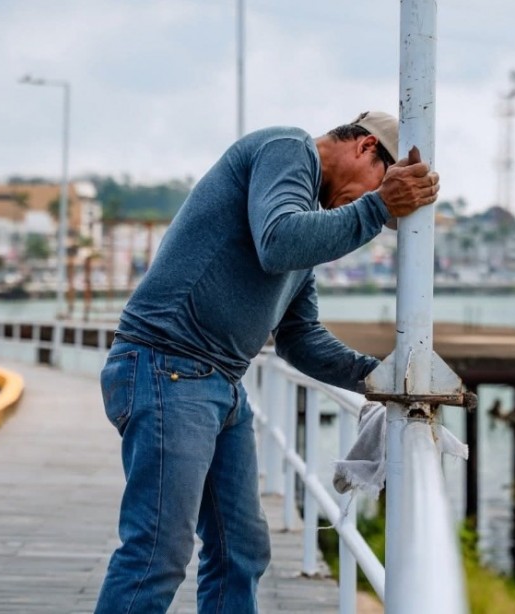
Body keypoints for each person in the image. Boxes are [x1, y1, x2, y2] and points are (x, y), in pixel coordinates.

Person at [94, 111, 440, 614]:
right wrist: (376, 207)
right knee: (157, 553)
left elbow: (300, 338)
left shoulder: (304, 218)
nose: (366, 207)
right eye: (377, 188)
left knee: (242, 549)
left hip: (219, 383)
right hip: (168, 367)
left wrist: (378, 378)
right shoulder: (288, 147)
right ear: (366, 146)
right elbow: (278, 243)